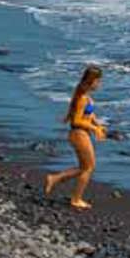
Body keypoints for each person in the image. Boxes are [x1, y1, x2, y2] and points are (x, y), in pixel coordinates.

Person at [44, 65, 106, 210]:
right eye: (98, 81)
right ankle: (76, 199)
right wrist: (94, 128)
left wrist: (98, 124)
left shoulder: (84, 95)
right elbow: (77, 120)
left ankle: (55, 178)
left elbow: (89, 115)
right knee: (88, 168)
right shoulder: (82, 98)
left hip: (81, 133)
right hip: (78, 133)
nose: (100, 84)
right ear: (92, 81)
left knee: (85, 167)